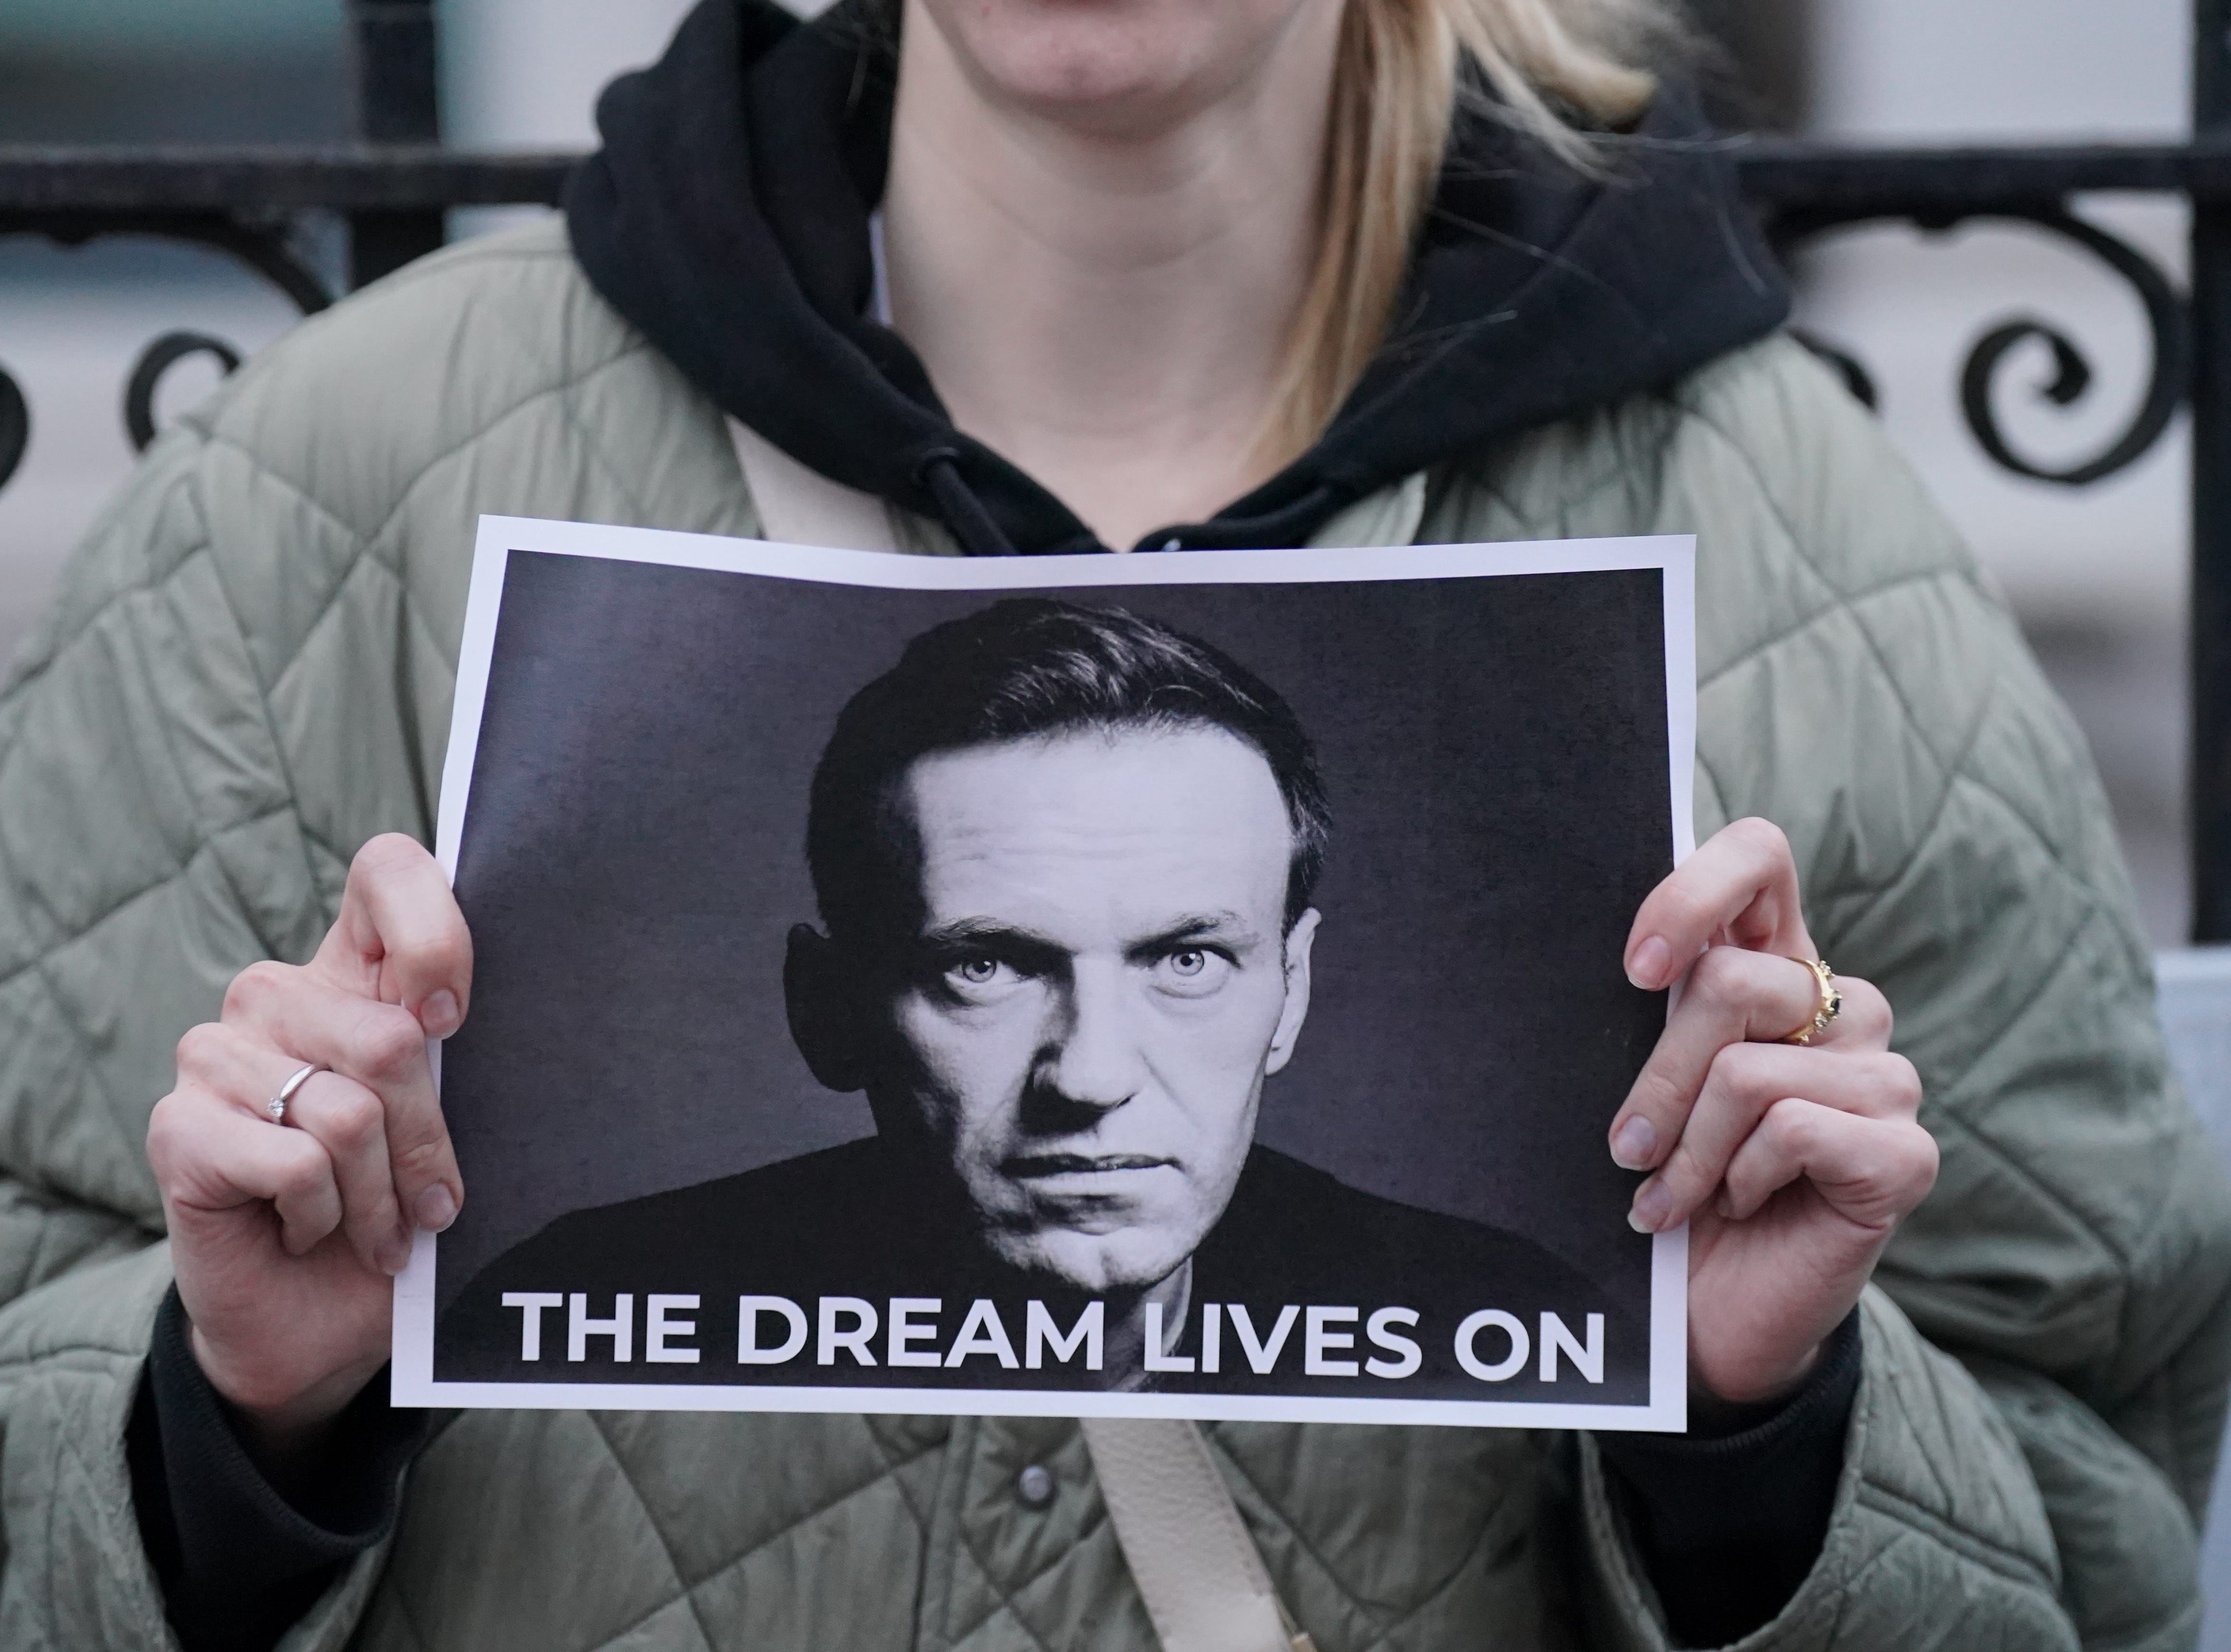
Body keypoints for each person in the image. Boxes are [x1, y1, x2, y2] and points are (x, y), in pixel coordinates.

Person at [0, 0, 2231, 1649]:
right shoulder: (351, 492)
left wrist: (1766, 1436)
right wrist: (230, 1419)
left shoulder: (1794, 556)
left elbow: (2101, 1514)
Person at [434, 597, 1605, 1397]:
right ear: (828, 1008)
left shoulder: (1500, 1319)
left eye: (1186, 960)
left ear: (1289, 993)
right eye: (986, 964)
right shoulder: (581, 1308)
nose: (1092, 1076)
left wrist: (1753, 1420)